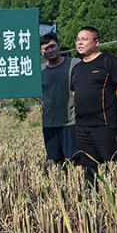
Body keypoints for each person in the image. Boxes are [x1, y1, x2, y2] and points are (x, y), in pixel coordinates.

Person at [71, 27, 117, 186]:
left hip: (104, 123)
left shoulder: (108, 61)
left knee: (112, 164)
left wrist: (111, 109)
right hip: (83, 125)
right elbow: (75, 93)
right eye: (77, 39)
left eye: (84, 39)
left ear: (96, 42)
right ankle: (92, 197)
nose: (79, 42)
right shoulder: (77, 68)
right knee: (89, 165)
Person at [39, 33, 80, 164]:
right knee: (57, 161)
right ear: (41, 52)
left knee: (76, 159)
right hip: (50, 122)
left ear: (59, 46)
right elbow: (30, 88)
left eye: (52, 46)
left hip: (71, 120)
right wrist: (41, 101)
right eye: (46, 48)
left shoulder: (75, 64)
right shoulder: (40, 71)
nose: (50, 50)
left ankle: (77, 183)